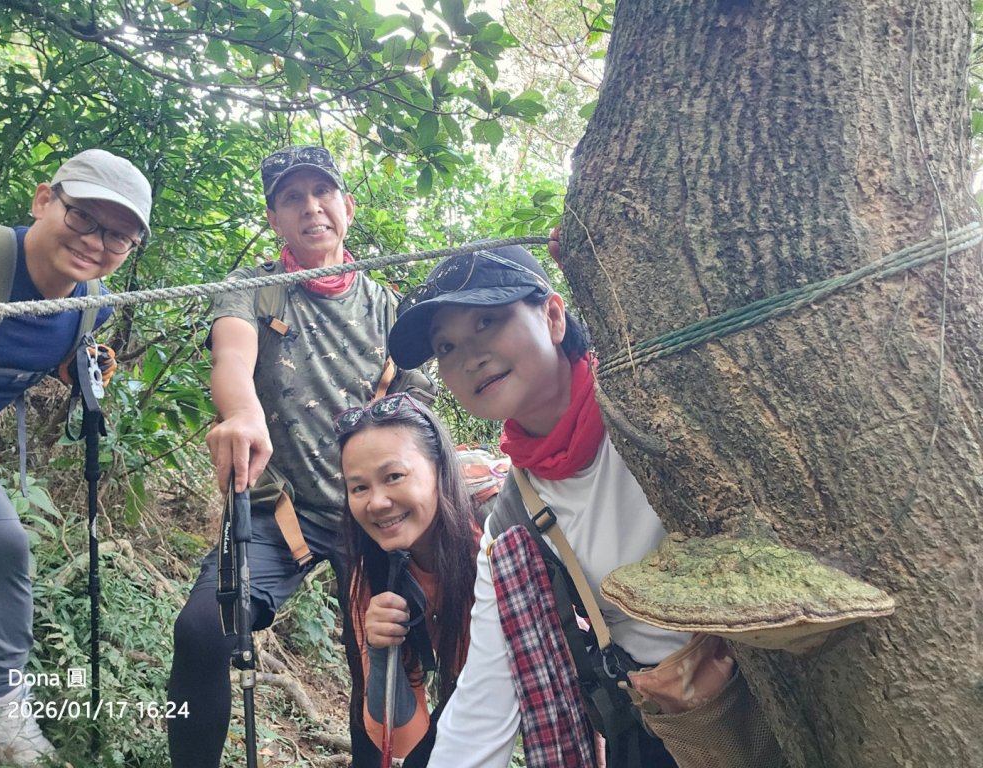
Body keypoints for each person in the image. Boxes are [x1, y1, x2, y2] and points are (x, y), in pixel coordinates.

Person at [387, 244, 782, 768]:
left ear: (552, 315)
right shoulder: (512, 522)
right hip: (670, 726)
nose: (469, 356)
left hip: (782, 682)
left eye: (488, 321)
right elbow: (484, 698)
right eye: (446, 346)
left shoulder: (659, 406)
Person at [166, 146, 436, 768]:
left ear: (347, 205)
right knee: (204, 631)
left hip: (374, 509)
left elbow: (414, 410)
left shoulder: (387, 307)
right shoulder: (256, 292)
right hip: (283, 506)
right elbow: (231, 358)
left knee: (384, 662)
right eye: (293, 198)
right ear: (273, 216)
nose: (311, 207)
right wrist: (243, 412)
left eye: (323, 192)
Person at [0, 149, 152, 766]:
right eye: (83, 218)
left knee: (1, 546)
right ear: (45, 201)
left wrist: (79, 369)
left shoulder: (87, 306)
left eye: (119, 235)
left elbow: (42, 355)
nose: (97, 242)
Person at [335, 393, 480, 766]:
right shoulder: (373, 574)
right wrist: (382, 654)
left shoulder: (492, 548)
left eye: (393, 476)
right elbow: (401, 739)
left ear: (439, 470)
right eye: (359, 487)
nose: (377, 503)